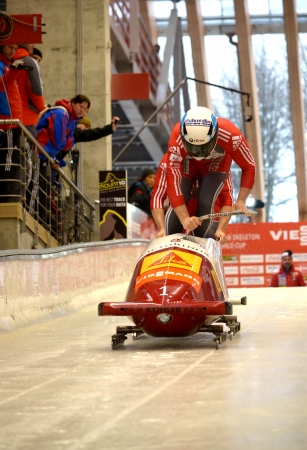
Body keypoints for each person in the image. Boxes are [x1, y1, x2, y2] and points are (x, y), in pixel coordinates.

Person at [165, 106, 256, 243]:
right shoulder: (176, 136)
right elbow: (173, 181)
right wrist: (184, 219)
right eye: (192, 146)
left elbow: (249, 166)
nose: (198, 152)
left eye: (203, 146)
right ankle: (170, 242)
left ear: (215, 134)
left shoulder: (231, 135)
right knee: (180, 200)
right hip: (187, 164)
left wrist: (241, 200)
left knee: (206, 202)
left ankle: (201, 244)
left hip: (215, 165)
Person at [151, 152, 234, 239]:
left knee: (206, 210)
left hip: (208, 215)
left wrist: (221, 230)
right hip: (180, 214)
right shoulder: (171, 160)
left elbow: (227, 198)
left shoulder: (220, 163)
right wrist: (161, 229)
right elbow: (158, 195)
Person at [0, 44, 24, 203]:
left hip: (13, 121)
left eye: (15, 48)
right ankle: (5, 198)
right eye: (10, 47)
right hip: (7, 121)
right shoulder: (4, 67)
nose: (12, 51)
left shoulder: (7, 66)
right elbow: (2, 86)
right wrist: (15, 71)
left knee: (11, 161)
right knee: (7, 162)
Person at [12, 44, 45, 138]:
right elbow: (36, 92)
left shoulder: (8, 61)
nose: (37, 62)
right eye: (35, 58)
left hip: (11, 116)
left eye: (39, 60)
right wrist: (41, 108)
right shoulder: (29, 63)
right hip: (27, 116)